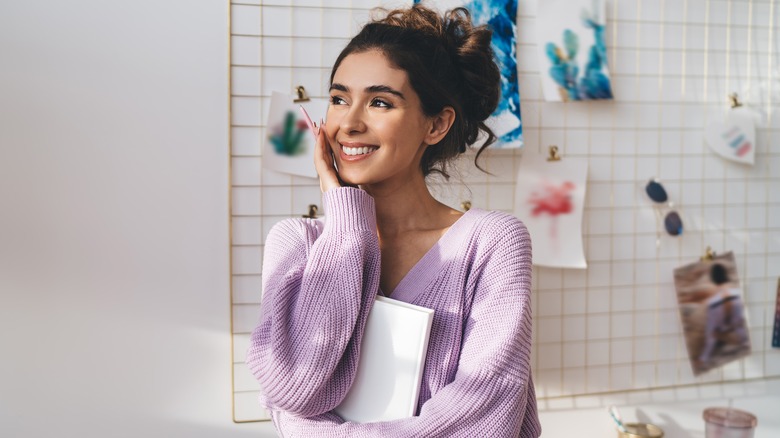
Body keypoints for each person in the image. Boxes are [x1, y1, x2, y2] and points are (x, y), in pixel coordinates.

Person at [246, 4, 541, 437]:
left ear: (437, 124)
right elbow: (292, 388)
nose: (349, 122)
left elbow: (483, 421)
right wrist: (345, 221)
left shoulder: (493, 243)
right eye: (338, 99)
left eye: (380, 102)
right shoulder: (295, 243)